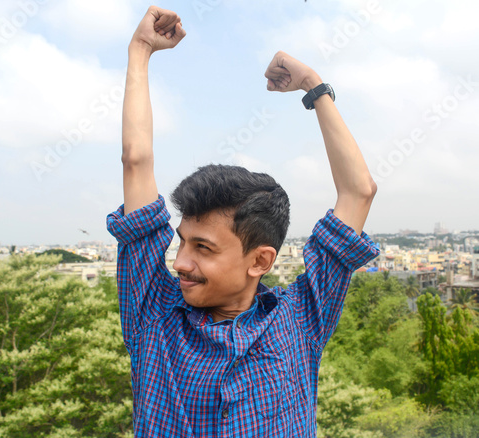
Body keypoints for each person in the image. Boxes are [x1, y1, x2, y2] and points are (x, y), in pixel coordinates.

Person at [107, 5, 379, 438]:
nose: (180, 262)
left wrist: (313, 84)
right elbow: (135, 161)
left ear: (260, 260)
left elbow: (359, 191)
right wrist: (140, 51)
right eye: (183, 242)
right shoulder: (153, 314)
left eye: (203, 248)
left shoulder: (300, 320)